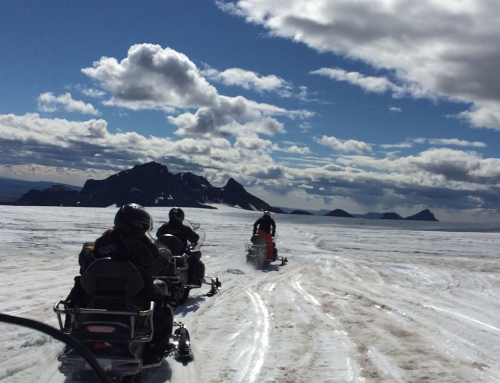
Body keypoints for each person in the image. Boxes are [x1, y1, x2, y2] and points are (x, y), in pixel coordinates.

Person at [65, 203, 174, 362]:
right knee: (163, 306)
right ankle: (154, 349)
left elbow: (85, 265)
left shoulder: (102, 242)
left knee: (74, 305)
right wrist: (165, 257)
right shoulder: (139, 244)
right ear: (130, 224)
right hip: (132, 297)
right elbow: (153, 264)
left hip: (96, 297)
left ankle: (71, 342)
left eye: (143, 226)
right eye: (139, 225)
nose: (142, 229)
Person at [156, 207, 205, 286]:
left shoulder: (164, 227)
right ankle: (192, 280)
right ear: (182, 217)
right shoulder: (185, 228)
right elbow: (194, 238)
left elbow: (158, 235)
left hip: (164, 252)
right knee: (194, 259)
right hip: (180, 252)